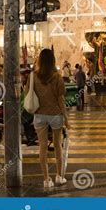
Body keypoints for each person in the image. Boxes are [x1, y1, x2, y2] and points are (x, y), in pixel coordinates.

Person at [26, 49, 69, 188]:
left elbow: (27, 93)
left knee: (42, 146)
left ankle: (46, 180)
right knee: (57, 145)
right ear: (53, 61)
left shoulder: (33, 76)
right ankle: (59, 176)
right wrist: (66, 118)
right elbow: (61, 99)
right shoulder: (57, 77)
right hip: (55, 114)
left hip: (39, 114)